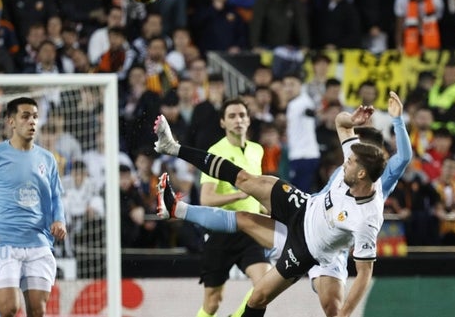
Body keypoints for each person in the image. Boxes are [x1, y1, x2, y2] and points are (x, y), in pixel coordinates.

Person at [154, 91, 411, 316]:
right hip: (303, 207)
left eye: (352, 162)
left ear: (364, 173)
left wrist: (345, 315)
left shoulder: (367, 217)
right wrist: (351, 120)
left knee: (260, 299)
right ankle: (173, 152)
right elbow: (341, 124)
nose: (345, 161)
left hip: (311, 249)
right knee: (245, 180)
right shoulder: (353, 161)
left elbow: (365, 274)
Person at [0, 97, 67, 317]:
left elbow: (56, 196)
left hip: (39, 242)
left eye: (35, 117)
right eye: (25, 116)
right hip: (5, 242)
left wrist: (59, 220)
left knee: (37, 311)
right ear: (11, 121)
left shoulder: (47, 159)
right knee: (10, 308)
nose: (32, 122)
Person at [194, 97, 271, 317]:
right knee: (212, 302)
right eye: (232, 116)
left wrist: (267, 209)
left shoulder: (257, 150)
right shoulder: (214, 153)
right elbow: (206, 199)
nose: (238, 120)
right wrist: (240, 193)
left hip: (251, 229)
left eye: (242, 115)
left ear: (248, 120)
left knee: (264, 286)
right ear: (222, 123)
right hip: (221, 231)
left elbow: (258, 191)